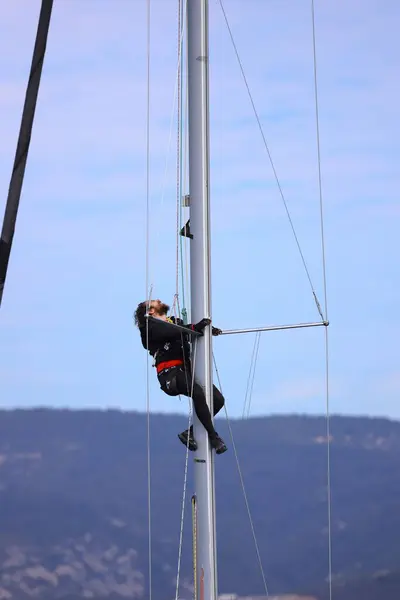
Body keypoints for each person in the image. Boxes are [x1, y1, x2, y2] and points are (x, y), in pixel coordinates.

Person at [134, 299, 227, 455]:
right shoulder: (148, 328)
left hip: (187, 371)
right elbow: (170, 331)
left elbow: (185, 333)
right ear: (150, 311)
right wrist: (192, 328)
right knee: (197, 392)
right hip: (170, 374)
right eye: (154, 301)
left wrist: (204, 331)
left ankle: (189, 432)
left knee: (218, 400)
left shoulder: (175, 323)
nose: (158, 300)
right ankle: (214, 437)